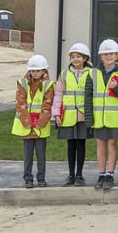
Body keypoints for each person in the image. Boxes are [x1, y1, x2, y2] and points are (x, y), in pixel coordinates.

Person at [87, 39, 118, 190]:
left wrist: (117, 88)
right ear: (101, 56)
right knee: (100, 145)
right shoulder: (92, 73)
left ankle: (110, 173)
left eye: (111, 54)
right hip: (98, 117)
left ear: (117, 55)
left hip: (115, 118)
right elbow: (88, 96)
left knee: (112, 144)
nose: (108, 57)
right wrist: (89, 118)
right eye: (105, 54)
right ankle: (101, 173)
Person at [51, 42, 93, 187]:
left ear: (85, 58)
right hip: (68, 115)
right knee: (70, 146)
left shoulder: (91, 74)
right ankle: (70, 175)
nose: (75, 59)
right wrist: (56, 114)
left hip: (83, 115)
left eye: (78, 57)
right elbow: (58, 94)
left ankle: (80, 175)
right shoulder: (64, 74)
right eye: (73, 57)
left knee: (81, 145)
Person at [12, 54, 54, 188]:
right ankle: (28, 179)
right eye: (33, 71)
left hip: (41, 126)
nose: (35, 73)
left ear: (44, 71)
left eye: (38, 71)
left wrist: (41, 121)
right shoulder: (23, 83)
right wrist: (26, 121)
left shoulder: (48, 85)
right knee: (28, 155)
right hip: (27, 126)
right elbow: (20, 102)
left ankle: (41, 178)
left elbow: (48, 103)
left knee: (41, 155)